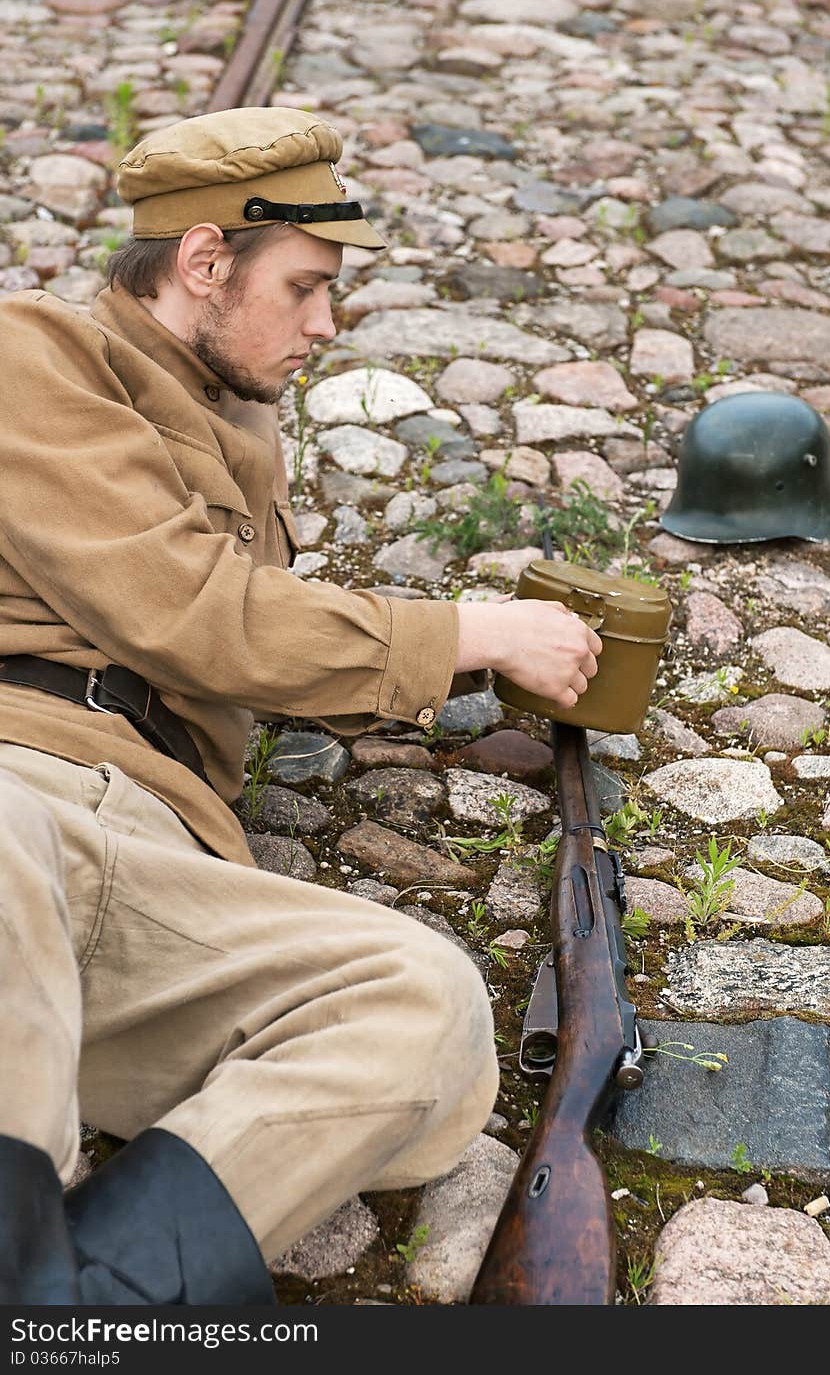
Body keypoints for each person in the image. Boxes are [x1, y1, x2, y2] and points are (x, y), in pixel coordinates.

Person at [0, 107, 602, 1305]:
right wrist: (466, 631)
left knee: (426, 1005)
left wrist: (478, 667)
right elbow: (197, 614)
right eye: (308, 287)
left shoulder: (240, 439)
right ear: (206, 261)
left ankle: (89, 1313)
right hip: (19, 783)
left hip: (162, 854)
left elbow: (259, 645)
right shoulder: (33, 356)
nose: (328, 325)